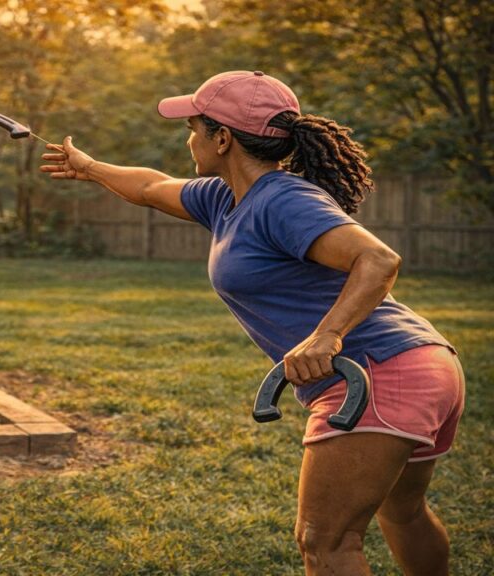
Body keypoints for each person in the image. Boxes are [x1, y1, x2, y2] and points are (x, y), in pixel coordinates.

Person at [40, 70, 465, 575]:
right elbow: (152, 187)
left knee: (325, 541)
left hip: (377, 372)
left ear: (222, 139)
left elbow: (378, 260)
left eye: (194, 127)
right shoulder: (224, 199)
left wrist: (327, 335)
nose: (188, 137)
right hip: (421, 364)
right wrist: (89, 167)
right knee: (402, 511)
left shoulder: (284, 200)